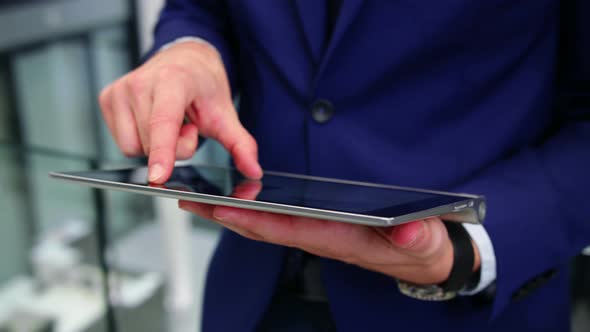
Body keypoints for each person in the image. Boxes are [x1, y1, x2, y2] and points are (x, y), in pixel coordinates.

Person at [99, 1, 590, 331]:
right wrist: (189, 48)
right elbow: (201, 8)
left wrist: (471, 246)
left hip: (465, 310)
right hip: (253, 296)